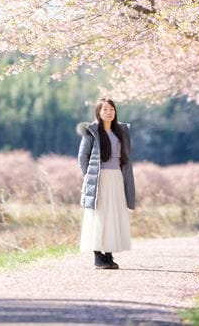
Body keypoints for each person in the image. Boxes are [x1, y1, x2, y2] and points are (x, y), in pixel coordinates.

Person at [77, 98, 136, 269]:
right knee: (99, 215)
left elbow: (126, 157)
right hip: (99, 178)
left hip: (116, 177)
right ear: (98, 112)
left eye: (111, 109)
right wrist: (88, 177)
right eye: (104, 109)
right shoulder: (92, 132)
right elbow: (82, 157)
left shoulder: (121, 131)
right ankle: (97, 256)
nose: (108, 112)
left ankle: (109, 255)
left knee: (113, 215)